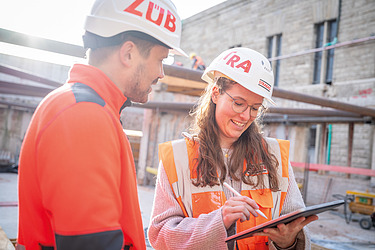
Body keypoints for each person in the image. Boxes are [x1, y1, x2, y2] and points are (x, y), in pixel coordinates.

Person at [16, 0, 186, 249]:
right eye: (161, 59)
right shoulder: (83, 114)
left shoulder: (87, 107)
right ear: (128, 53)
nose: (161, 73)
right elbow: (92, 242)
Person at [148, 48, 318, 249]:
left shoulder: (275, 157)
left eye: (255, 108)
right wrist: (218, 220)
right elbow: (160, 235)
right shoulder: (177, 159)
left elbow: (296, 225)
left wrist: (288, 242)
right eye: (239, 103)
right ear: (215, 93)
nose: (246, 116)